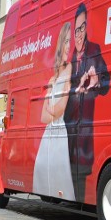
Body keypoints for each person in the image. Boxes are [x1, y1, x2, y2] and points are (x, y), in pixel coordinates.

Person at [64, 3, 111, 202]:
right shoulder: (69, 59)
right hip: (66, 132)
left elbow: (107, 82)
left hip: (83, 133)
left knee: (81, 178)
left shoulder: (94, 50)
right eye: (77, 30)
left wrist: (97, 81)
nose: (79, 34)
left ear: (88, 28)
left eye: (83, 28)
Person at [34, 22, 75, 199]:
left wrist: (51, 108)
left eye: (70, 41)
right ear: (60, 44)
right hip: (49, 133)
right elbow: (43, 117)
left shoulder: (70, 69)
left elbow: (61, 108)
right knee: (44, 177)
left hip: (59, 131)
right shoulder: (53, 77)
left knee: (61, 177)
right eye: (66, 41)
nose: (69, 46)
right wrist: (52, 110)